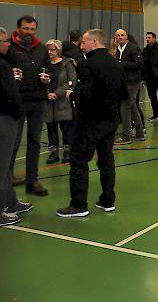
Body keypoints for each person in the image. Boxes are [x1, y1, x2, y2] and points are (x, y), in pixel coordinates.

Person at [56, 29, 127, 217]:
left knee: (79, 159)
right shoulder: (116, 64)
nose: (81, 46)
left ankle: (78, 204)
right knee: (106, 159)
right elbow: (124, 94)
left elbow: (85, 94)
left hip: (90, 121)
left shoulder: (88, 65)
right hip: (111, 120)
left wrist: (73, 96)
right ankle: (107, 199)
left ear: (94, 42)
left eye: (84, 42)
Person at [6, 15, 50, 196]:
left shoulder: (41, 48)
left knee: (34, 142)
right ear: (18, 29)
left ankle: (32, 181)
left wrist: (47, 78)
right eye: (25, 29)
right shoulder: (8, 47)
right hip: (17, 101)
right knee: (13, 142)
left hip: (38, 100)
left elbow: (48, 69)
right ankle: (6, 178)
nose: (29, 32)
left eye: (32, 29)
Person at [0, 26, 32, 226]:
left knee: (7, 164)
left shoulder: (6, 63)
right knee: (2, 165)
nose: (8, 44)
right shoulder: (2, 66)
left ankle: (10, 201)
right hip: (5, 118)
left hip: (8, 117)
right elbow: (10, 95)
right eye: (5, 41)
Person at [44, 39, 77, 164]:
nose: (50, 52)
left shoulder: (67, 63)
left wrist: (57, 93)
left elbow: (71, 81)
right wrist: (47, 93)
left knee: (66, 128)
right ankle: (53, 152)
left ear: (58, 50)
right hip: (48, 101)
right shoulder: (44, 65)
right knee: (51, 128)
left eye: (53, 49)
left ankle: (68, 151)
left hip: (63, 101)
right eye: (48, 49)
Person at [113, 29, 145, 145]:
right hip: (123, 82)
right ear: (115, 37)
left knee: (125, 107)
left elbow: (139, 64)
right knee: (132, 107)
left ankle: (126, 136)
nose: (120, 37)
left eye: (122, 35)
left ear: (126, 37)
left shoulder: (133, 48)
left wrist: (122, 63)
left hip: (132, 82)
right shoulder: (117, 49)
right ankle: (140, 133)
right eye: (118, 35)